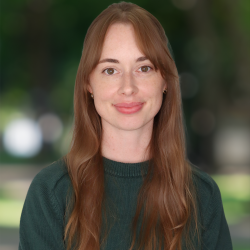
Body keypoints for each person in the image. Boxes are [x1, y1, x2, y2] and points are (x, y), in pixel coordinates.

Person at [19, 2, 233, 250]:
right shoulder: (51, 193)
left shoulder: (201, 195)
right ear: (89, 83)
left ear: (165, 80)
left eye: (144, 68)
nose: (128, 87)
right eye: (110, 70)